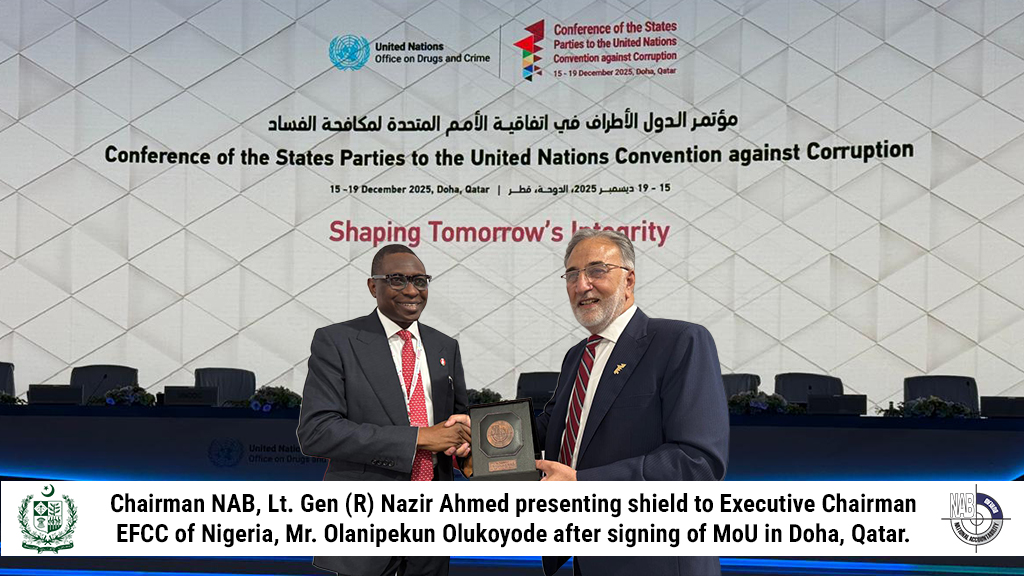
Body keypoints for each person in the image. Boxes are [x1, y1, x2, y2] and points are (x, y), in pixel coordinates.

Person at [534, 229, 729, 576]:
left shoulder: (681, 341)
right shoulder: (577, 356)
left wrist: (583, 484)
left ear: (629, 280)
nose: (582, 285)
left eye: (597, 270)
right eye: (572, 275)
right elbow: (557, 432)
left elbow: (697, 463)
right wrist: (480, 438)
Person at [297, 244, 471, 576]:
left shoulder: (445, 346)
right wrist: (419, 438)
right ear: (372, 286)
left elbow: (456, 425)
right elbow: (316, 432)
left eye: (420, 281)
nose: (411, 290)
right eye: (397, 280)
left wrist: (469, 450)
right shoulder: (337, 341)